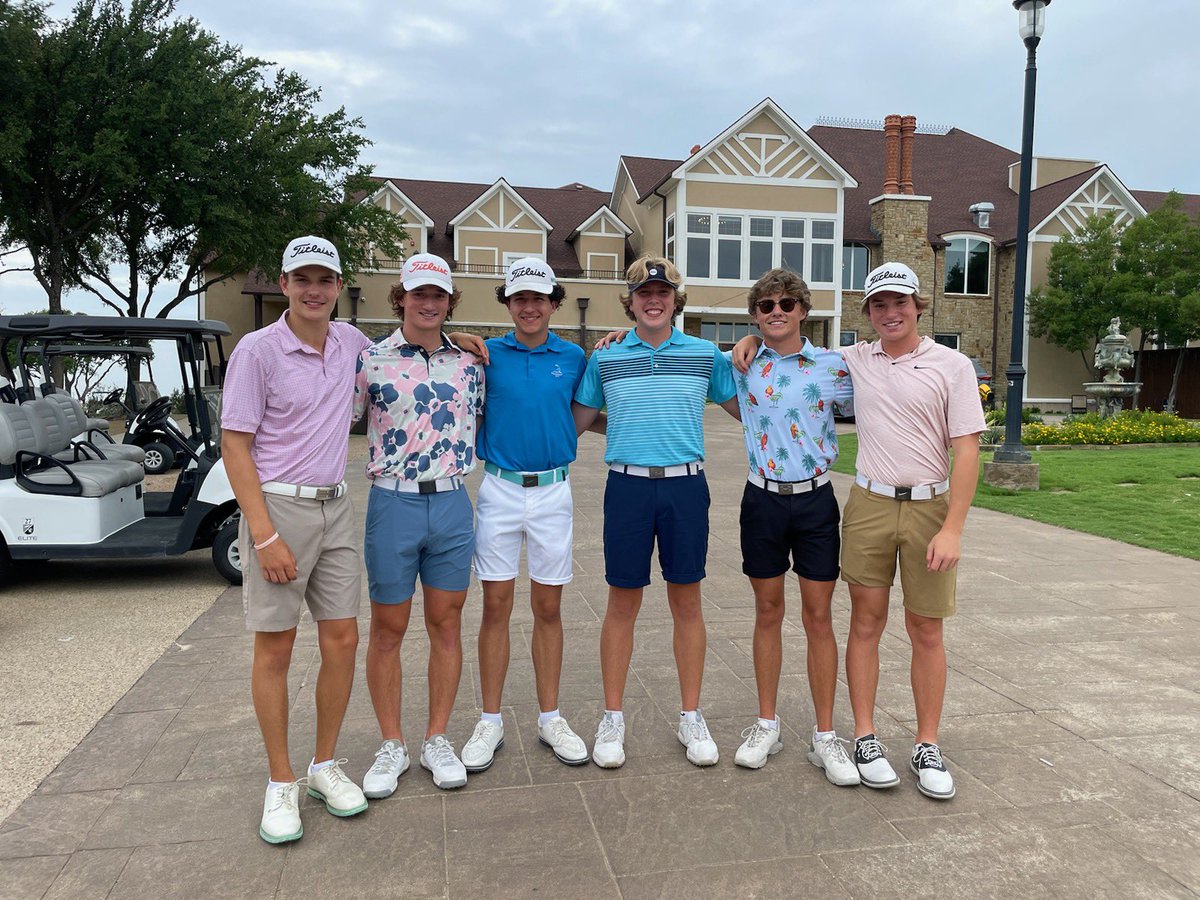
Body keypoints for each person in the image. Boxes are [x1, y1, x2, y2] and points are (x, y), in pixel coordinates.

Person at [222, 235, 370, 844]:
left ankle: (322, 766)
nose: (314, 291)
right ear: (284, 283)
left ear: (338, 287)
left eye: (325, 280)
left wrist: (466, 340)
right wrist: (263, 535)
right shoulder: (257, 351)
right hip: (278, 507)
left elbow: (412, 346)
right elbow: (236, 445)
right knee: (276, 649)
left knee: (341, 638)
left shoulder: (353, 343)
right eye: (302, 279)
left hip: (336, 504)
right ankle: (280, 780)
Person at [572, 256, 740, 769]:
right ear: (630, 301)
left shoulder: (705, 354)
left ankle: (690, 713)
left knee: (686, 601)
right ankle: (613, 716)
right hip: (627, 486)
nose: (653, 299)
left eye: (662, 292)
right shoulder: (606, 358)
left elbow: (751, 407)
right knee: (622, 602)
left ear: (675, 300)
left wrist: (755, 345)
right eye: (644, 292)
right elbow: (576, 422)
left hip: (685, 488)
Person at [838, 262, 984, 800]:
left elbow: (966, 447)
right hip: (869, 504)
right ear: (869, 313)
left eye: (899, 302)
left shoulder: (952, 365)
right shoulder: (854, 358)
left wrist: (954, 528)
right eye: (879, 305)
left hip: (929, 508)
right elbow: (785, 352)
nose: (890, 313)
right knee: (866, 622)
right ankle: (865, 736)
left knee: (926, 629)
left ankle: (927, 743)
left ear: (918, 307)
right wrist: (744, 346)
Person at [354, 253, 484, 794]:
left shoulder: (472, 362)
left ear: (450, 302)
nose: (428, 303)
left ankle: (436, 737)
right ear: (401, 297)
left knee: (446, 625)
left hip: (452, 504)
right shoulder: (369, 359)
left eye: (438, 295)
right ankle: (391, 744)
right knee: (388, 629)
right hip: (393, 505)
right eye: (418, 293)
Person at [724, 269, 859, 784]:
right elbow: (674, 351)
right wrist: (613, 337)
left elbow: (891, 369)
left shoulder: (833, 366)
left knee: (818, 616)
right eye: (764, 306)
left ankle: (825, 735)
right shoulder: (742, 362)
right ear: (755, 315)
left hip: (815, 501)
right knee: (766, 610)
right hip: (762, 499)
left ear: (803, 309)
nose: (775, 311)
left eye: (785, 303)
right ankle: (766, 723)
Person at [459, 257, 592, 773]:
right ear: (508, 303)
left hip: (553, 492)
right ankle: (490, 720)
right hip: (499, 489)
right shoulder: (485, 354)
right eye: (520, 299)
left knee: (549, 607)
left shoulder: (575, 356)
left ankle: (550, 716)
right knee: (495, 605)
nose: (530, 307)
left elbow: (588, 409)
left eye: (539, 299)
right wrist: (456, 334)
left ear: (554, 303)